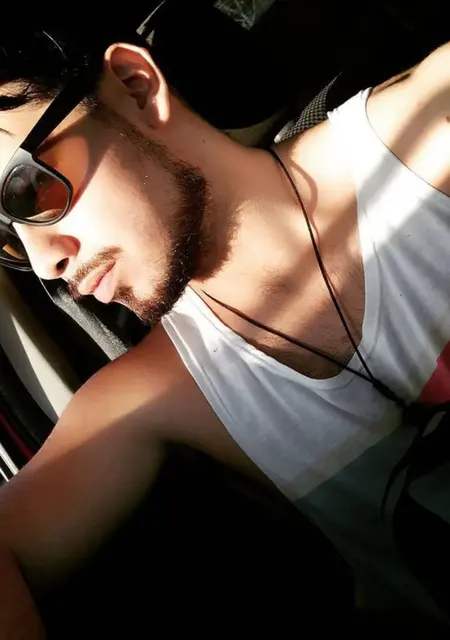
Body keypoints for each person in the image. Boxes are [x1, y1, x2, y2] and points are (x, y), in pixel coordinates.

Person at [0, 25, 449, 636]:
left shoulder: (429, 134)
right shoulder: (154, 396)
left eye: (25, 191)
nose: (43, 262)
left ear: (137, 86)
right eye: (6, 238)